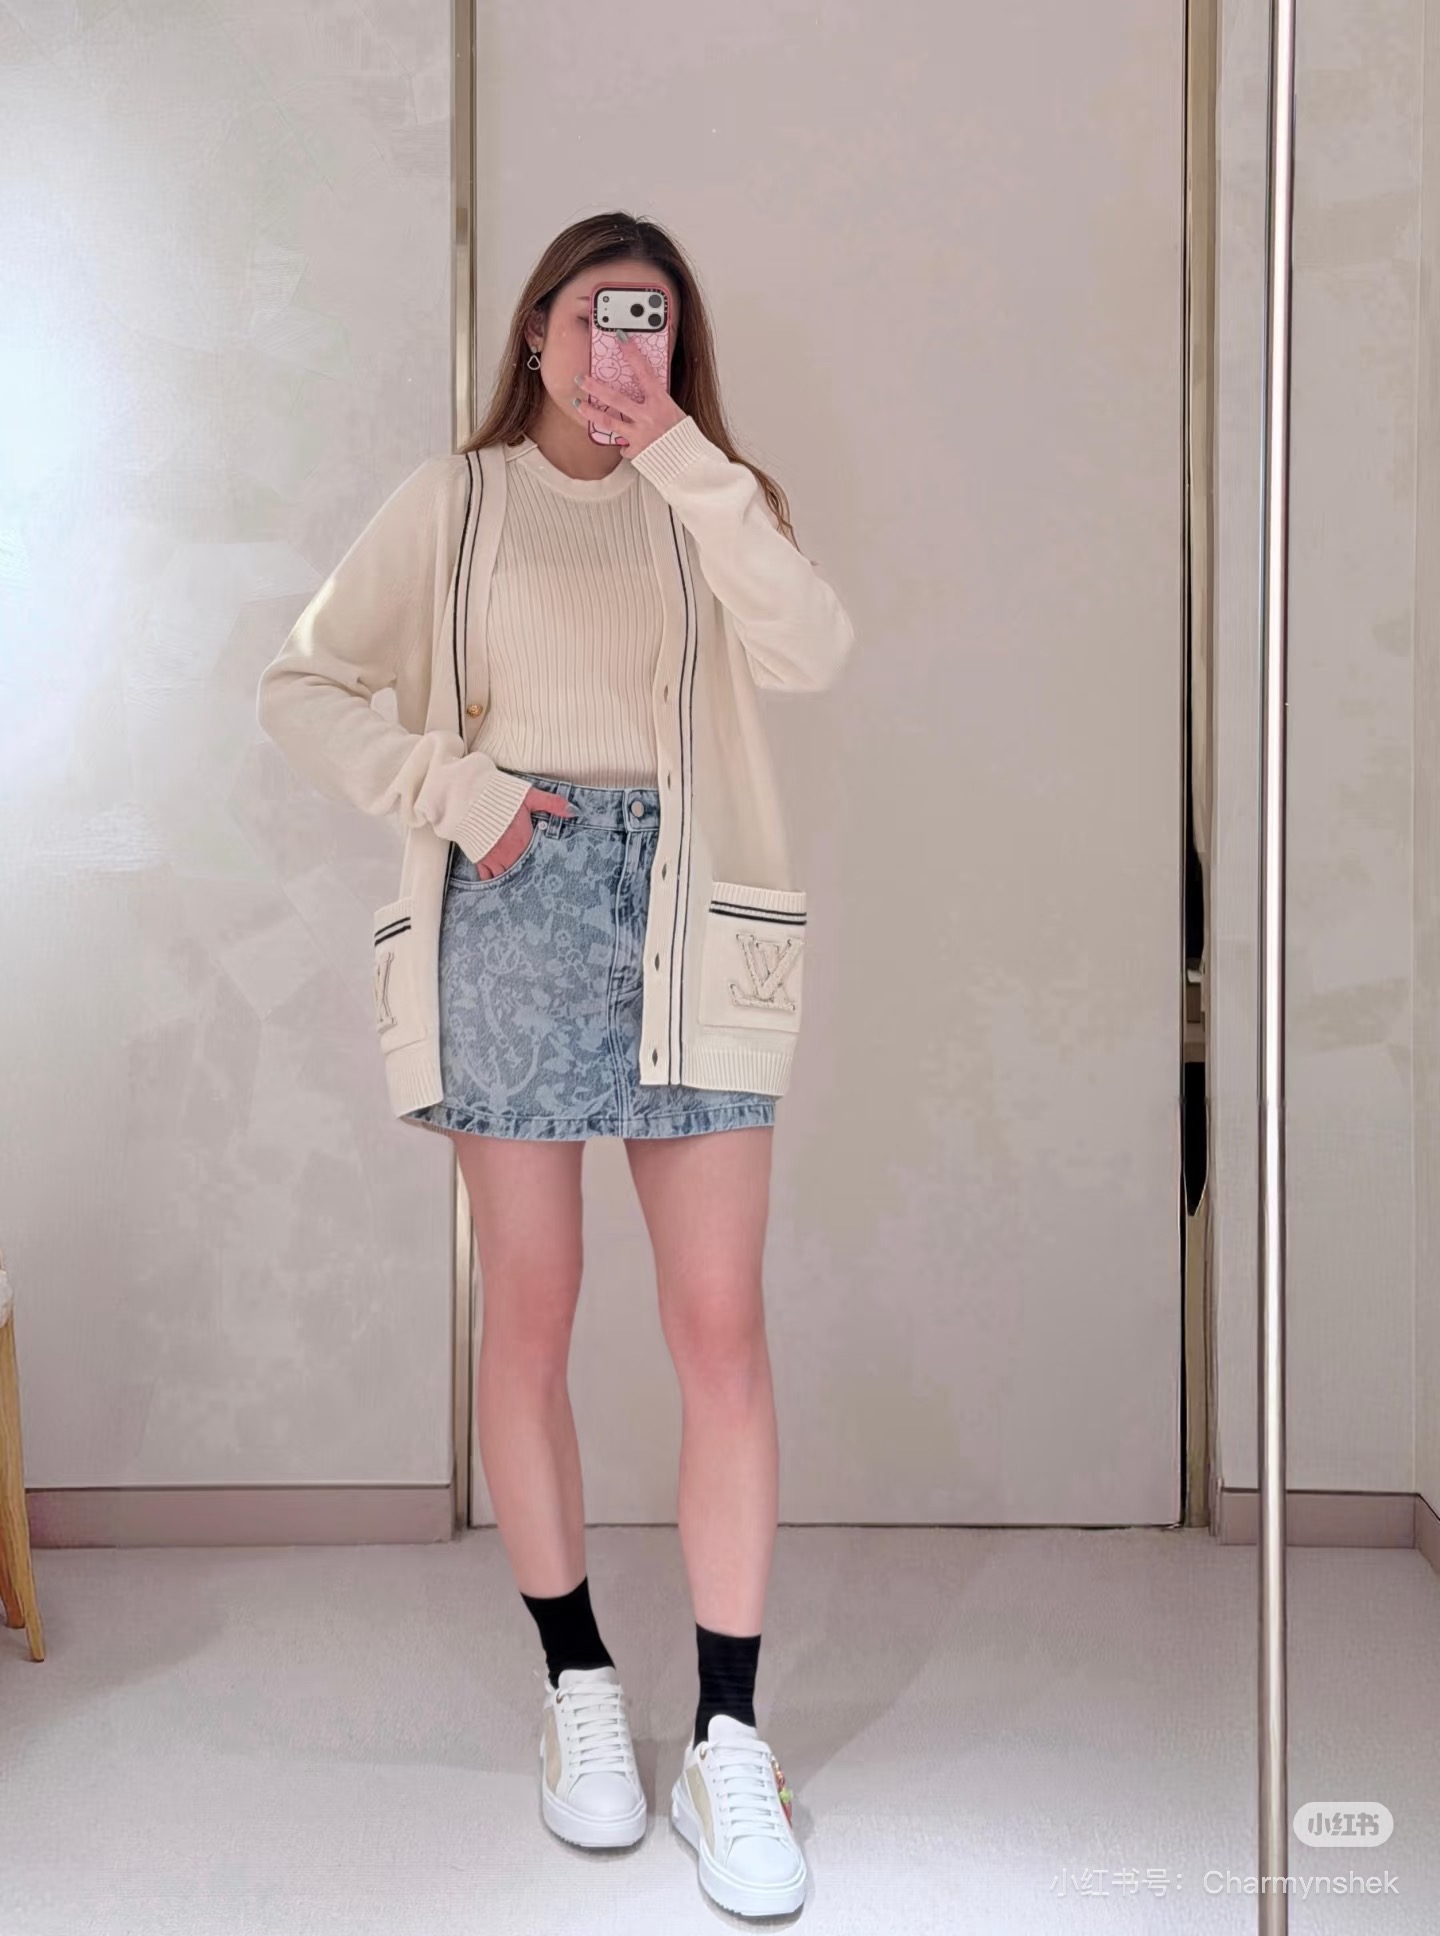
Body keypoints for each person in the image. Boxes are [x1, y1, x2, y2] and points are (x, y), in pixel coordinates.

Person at [256, 211, 855, 1920]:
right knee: (529, 1314)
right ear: (536, 330)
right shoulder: (453, 503)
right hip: (512, 909)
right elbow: (303, 685)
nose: (618, 350)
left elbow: (812, 650)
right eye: (595, 319)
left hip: (690, 922)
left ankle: (730, 1738)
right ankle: (579, 1685)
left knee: (720, 1328)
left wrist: (683, 456)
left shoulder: (710, 498)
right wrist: (459, 797)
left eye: (648, 323)